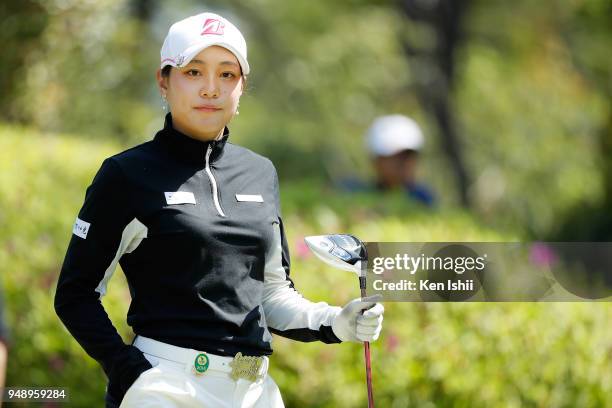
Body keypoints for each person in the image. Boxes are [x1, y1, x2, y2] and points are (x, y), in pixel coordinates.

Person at [54, 12, 384, 408]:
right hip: (164, 389)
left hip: (254, 389)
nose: (211, 89)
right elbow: (76, 294)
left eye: (227, 75)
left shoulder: (260, 173)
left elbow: (270, 293)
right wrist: (129, 371)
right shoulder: (125, 175)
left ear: (242, 86)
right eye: (193, 72)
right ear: (164, 80)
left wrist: (336, 322)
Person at [341, 114, 435, 206]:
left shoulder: (423, 199)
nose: (404, 163)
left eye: (408, 156)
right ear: (376, 161)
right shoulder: (354, 193)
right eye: (395, 157)